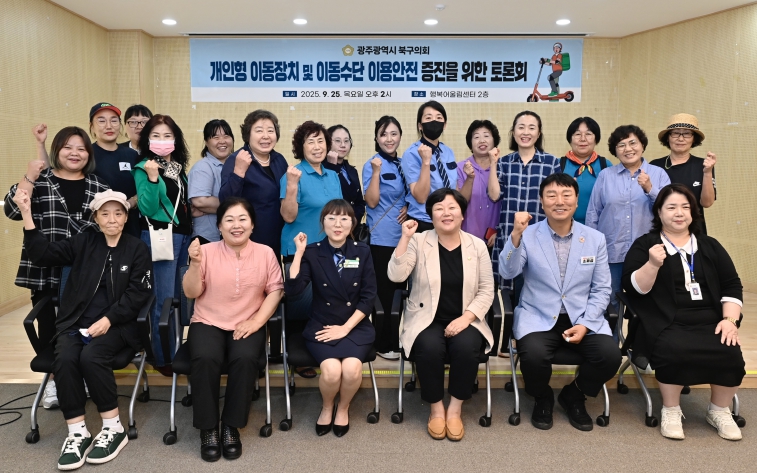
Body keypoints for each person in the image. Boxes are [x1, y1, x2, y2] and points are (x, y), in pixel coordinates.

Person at [13, 188, 152, 470]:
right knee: (64, 358)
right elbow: (41, 254)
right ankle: (77, 432)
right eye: (105, 214)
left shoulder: (137, 248)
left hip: (118, 326)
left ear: (126, 217)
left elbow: (139, 293)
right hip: (75, 323)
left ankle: (113, 428)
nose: (112, 219)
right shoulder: (84, 242)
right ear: (96, 218)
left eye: (118, 213)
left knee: (92, 357)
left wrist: (109, 319)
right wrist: (26, 213)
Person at [499, 173, 621, 431]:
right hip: (538, 315)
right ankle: (542, 396)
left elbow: (602, 289)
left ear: (576, 201)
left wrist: (586, 324)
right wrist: (516, 235)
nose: (559, 201)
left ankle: (574, 394)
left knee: (610, 356)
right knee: (533, 356)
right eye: (551, 195)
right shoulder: (528, 235)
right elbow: (507, 272)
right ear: (542, 202)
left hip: (581, 316)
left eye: (566, 195)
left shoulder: (595, 238)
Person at [622, 184, 744, 441]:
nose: (679, 213)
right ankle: (671, 409)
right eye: (671, 207)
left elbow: (732, 284)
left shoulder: (710, 245)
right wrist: (652, 264)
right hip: (663, 319)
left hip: (711, 319)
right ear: (659, 212)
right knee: (674, 348)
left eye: (685, 207)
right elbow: (633, 289)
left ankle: (719, 411)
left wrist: (730, 320)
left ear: (693, 212)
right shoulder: (646, 245)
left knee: (729, 350)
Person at [5, 126, 109, 411]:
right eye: (68, 147)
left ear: (89, 154)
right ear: (57, 151)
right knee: (49, 326)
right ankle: (53, 379)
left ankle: (82, 376)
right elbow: (13, 210)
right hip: (45, 269)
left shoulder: (99, 185)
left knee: (84, 324)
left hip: (84, 272)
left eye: (81, 148)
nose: (75, 153)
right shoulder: (41, 180)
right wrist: (30, 175)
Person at [388, 188, 494, 441]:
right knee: (429, 348)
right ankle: (436, 410)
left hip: (466, 318)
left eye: (452, 208)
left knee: (467, 347)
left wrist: (466, 318)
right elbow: (396, 276)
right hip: (426, 318)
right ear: (431, 215)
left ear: (462, 214)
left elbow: (487, 289)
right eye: (439, 208)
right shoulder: (418, 240)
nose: (446, 213)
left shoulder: (477, 245)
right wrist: (404, 238)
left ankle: (455, 410)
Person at [183, 197, 284, 461]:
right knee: (205, 357)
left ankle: (231, 426)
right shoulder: (205, 251)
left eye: (242, 219)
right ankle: (208, 429)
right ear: (219, 226)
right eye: (229, 220)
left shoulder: (266, 253)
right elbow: (191, 292)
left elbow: (275, 290)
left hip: (248, 320)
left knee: (246, 357)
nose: (236, 225)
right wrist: (195, 264)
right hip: (208, 320)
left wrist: (256, 322)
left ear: (252, 225)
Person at [285, 200, 377, 438]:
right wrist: (299, 253)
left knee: (352, 369)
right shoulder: (313, 252)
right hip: (323, 325)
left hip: (354, 325)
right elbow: (293, 290)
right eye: (332, 218)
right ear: (323, 222)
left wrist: (345, 328)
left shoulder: (362, 251)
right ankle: (327, 407)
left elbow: (368, 297)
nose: (338, 224)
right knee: (332, 372)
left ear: (352, 223)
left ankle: (343, 408)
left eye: (344, 218)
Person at [488, 111, 561, 351]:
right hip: (510, 236)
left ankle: (527, 339)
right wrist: (493, 163)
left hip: (540, 238)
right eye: (521, 127)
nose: (526, 132)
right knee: (506, 288)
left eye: (531, 127)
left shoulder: (551, 162)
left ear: (538, 133)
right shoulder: (505, 162)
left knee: (532, 288)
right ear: (513, 132)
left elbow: (555, 199)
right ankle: (505, 340)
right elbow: (494, 195)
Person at [280, 120, 343, 378]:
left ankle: (322, 349)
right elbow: (288, 216)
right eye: (310, 142)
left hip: (328, 252)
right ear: (301, 147)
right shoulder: (293, 174)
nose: (317, 147)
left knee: (325, 304)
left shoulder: (333, 175)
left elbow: (339, 213)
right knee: (301, 307)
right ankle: (299, 356)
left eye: (320, 141)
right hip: (300, 251)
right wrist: (292, 185)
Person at [586, 125, 671, 313]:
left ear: (642, 146)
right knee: (610, 300)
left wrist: (650, 189)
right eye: (621, 145)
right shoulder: (605, 176)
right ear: (615, 151)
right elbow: (593, 213)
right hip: (611, 250)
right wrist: (591, 248)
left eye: (633, 143)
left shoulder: (658, 174)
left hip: (647, 252)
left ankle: (640, 333)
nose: (628, 149)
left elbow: (669, 211)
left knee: (646, 300)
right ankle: (612, 333)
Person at [131, 114, 192, 374]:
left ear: (175, 139)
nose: (162, 140)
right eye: (156, 135)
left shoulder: (177, 168)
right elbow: (146, 207)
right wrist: (153, 178)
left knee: (178, 298)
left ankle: (175, 349)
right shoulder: (143, 167)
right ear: (147, 139)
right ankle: (162, 356)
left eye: (167, 135)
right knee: (163, 299)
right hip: (160, 236)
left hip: (182, 237)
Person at [32, 103, 141, 237]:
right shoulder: (84, 154)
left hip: (129, 223)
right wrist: (40, 144)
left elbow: (143, 188)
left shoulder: (131, 154)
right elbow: (51, 176)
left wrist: (130, 203)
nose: (109, 126)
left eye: (114, 120)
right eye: (101, 121)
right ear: (91, 126)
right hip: (92, 225)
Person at [362, 116, 409, 360]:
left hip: (406, 238)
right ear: (376, 138)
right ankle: (382, 342)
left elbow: (414, 194)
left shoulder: (404, 164)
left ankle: (397, 339)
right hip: (382, 239)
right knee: (385, 293)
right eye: (383, 134)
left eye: (393, 133)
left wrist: (409, 206)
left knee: (401, 292)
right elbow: (371, 201)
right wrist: (376, 172)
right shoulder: (372, 164)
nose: (389, 139)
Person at [219, 110, 288, 258]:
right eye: (259, 130)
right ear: (248, 134)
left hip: (275, 240)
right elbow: (225, 201)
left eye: (270, 131)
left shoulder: (279, 160)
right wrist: (239, 172)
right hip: (247, 241)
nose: (266, 136)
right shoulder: (237, 159)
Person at [650, 113, 717, 234]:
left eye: (687, 134)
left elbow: (707, 203)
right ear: (668, 137)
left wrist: (707, 172)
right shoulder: (655, 165)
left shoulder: (703, 165)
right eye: (675, 133)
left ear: (694, 138)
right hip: (662, 231)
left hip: (694, 232)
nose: (680, 139)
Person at [402, 101, 457, 233]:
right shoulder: (411, 153)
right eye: (428, 118)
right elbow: (420, 197)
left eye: (439, 118)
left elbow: (455, 188)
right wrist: (426, 162)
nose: (434, 121)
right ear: (420, 126)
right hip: (423, 221)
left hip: (448, 219)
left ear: (444, 125)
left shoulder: (448, 152)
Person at [188, 119, 235, 243]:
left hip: (231, 236)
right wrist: (238, 206)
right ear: (206, 142)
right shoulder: (203, 167)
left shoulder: (237, 165)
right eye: (215, 137)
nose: (222, 141)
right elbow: (200, 201)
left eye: (226, 136)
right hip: (207, 237)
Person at [456, 119, 502, 246]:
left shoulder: (503, 167)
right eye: (476, 137)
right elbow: (459, 202)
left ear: (494, 141)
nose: (482, 140)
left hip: (497, 238)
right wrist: (469, 178)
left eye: (486, 136)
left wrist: (501, 232)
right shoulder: (461, 167)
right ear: (470, 144)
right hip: (467, 238)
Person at [559, 117, 610, 224]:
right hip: (564, 226)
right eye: (577, 134)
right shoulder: (558, 164)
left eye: (588, 134)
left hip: (598, 228)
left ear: (596, 139)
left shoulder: (605, 165)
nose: (583, 139)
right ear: (570, 139)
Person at [324, 125, 365, 223]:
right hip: (331, 224)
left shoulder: (352, 170)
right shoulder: (322, 168)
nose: (343, 145)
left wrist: (353, 221)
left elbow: (359, 202)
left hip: (352, 225)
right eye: (338, 141)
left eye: (346, 141)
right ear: (328, 143)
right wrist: (332, 167)